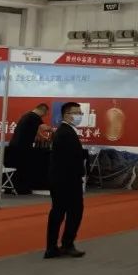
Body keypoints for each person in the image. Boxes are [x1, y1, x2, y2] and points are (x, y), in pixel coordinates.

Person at [45, 102, 87, 259]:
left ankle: (54, 247)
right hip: (67, 180)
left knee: (59, 212)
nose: (79, 116)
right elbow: (70, 159)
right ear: (66, 115)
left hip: (61, 179)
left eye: (80, 113)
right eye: (76, 113)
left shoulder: (65, 131)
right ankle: (65, 245)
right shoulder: (65, 133)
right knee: (72, 212)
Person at [9, 103, 48, 194]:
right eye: (45, 113)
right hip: (22, 147)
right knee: (22, 168)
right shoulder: (34, 117)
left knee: (15, 167)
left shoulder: (27, 116)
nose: (44, 116)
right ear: (43, 110)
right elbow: (44, 128)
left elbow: (36, 131)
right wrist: (55, 130)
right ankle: (21, 189)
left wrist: (44, 137)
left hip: (14, 145)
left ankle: (11, 187)